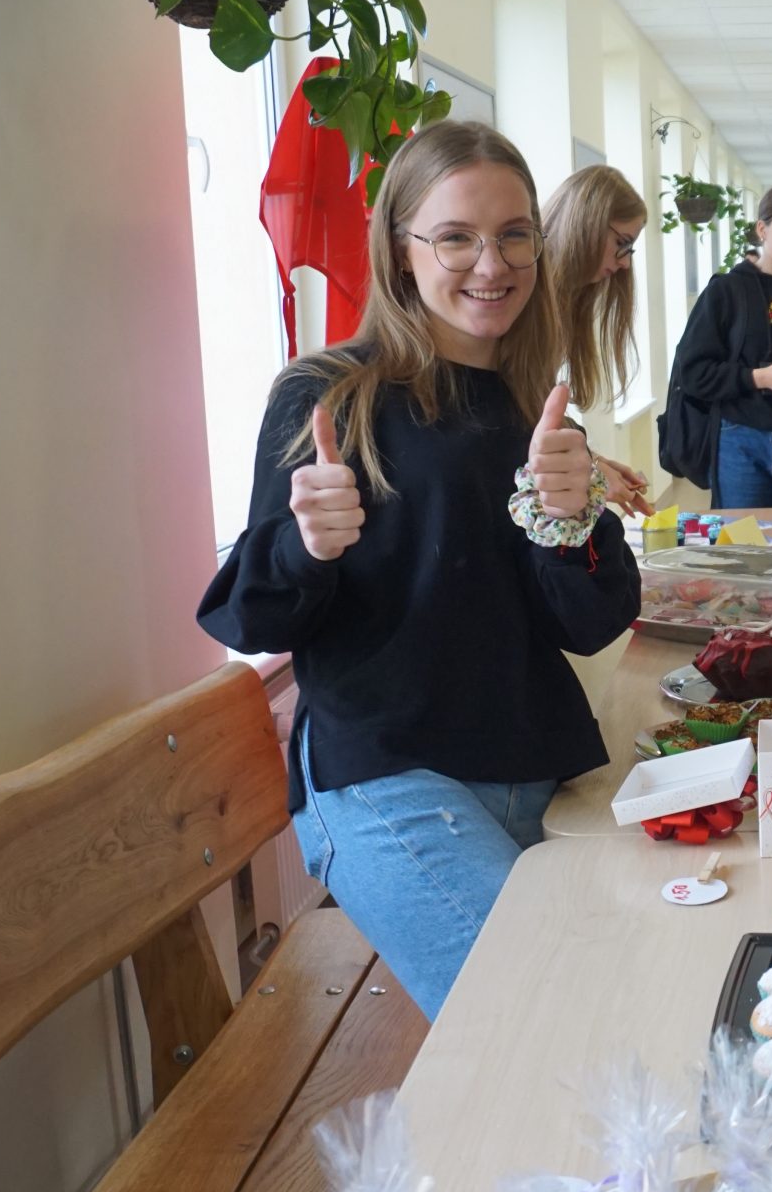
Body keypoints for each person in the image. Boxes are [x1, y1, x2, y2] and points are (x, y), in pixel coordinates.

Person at [198, 120, 641, 1023]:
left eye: (514, 234)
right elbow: (251, 617)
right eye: (455, 237)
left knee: (619, 986)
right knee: (547, 1018)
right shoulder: (330, 395)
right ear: (401, 250)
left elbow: (590, 621)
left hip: (530, 770)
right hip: (382, 782)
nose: (492, 263)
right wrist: (306, 544)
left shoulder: (536, 412)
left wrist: (572, 521)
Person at [666, 180, 772, 543]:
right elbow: (692, 372)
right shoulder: (725, 291)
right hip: (738, 440)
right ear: (762, 229)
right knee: (744, 553)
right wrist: (757, 378)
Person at [541, 162, 651, 513]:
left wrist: (593, 460)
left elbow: (537, 407)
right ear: (587, 222)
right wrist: (591, 468)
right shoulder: (523, 295)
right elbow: (516, 413)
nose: (625, 264)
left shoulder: (564, 301)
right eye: (622, 243)